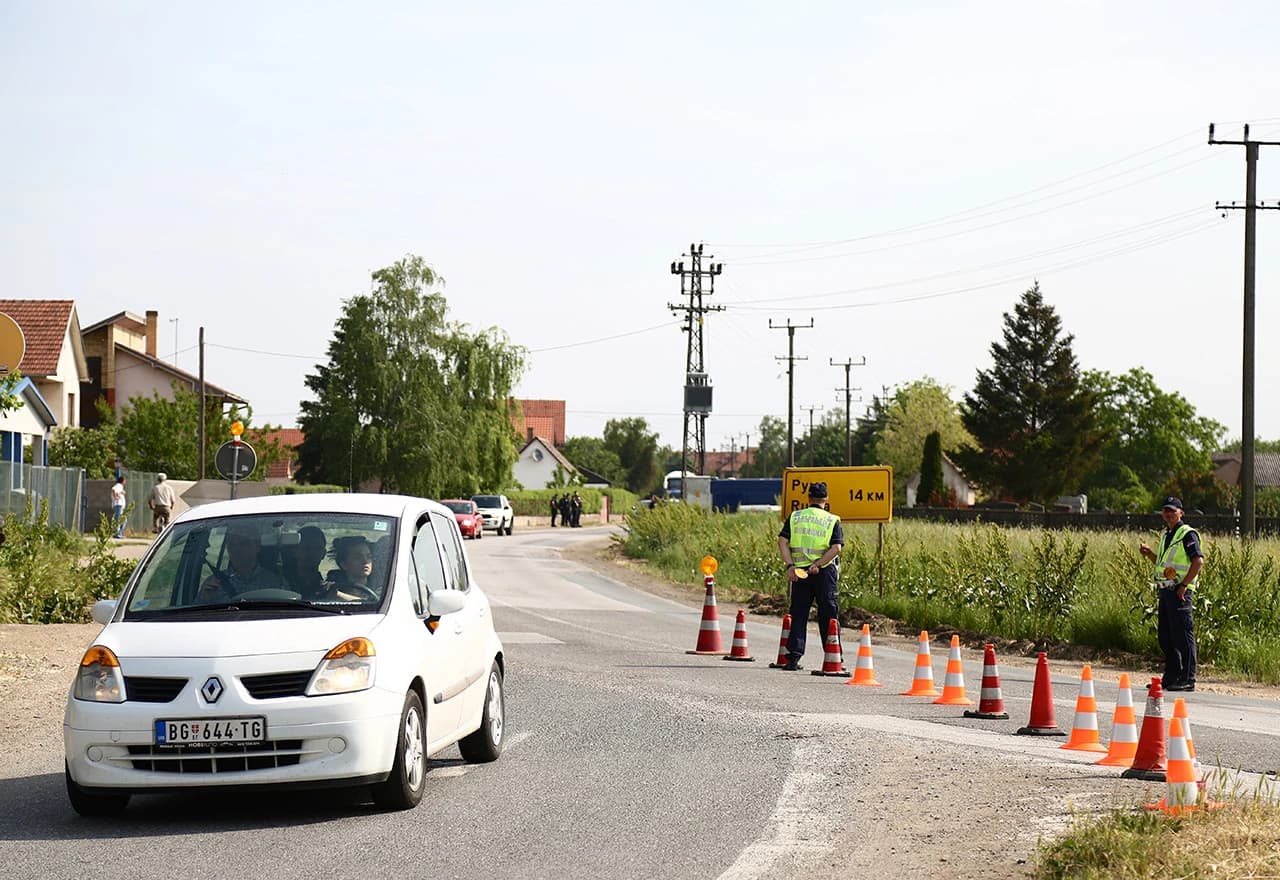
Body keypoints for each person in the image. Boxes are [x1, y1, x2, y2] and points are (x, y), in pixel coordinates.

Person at [777, 481, 844, 671]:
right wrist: (818, 564)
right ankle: (834, 657)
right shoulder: (832, 520)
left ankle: (793, 658)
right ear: (826, 500)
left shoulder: (796, 517)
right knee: (829, 615)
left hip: (799, 573)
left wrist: (790, 565)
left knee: (799, 613)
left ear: (808, 499)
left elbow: (782, 541)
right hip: (823, 573)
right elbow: (836, 548)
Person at [1139, 496, 1201, 692]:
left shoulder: (1187, 534)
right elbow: (1165, 565)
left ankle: (1188, 678)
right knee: (1166, 636)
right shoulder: (1167, 535)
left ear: (1181, 513)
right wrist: (1150, 555)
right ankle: (1172, 677)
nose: (1168, 514)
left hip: (1179, 591)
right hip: (1166, 590)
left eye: (1172, 510)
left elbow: (1197, 561)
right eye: (1166, 510)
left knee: (1182, 635)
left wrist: (1184, 584)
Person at [198, 523, 286, 602]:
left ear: (257, 546)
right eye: (232, 544)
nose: (236, 550)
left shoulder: (275, 582)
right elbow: (195, 615)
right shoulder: (214, 584)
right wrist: (205, 600)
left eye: (243, 544)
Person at [322, 535, 378, 600]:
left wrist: (339, 595)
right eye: (357, 557)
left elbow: (375, 603)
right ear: (344, 564)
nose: (365, 561)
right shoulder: (332, 588)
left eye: (369, 556)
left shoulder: (382, 587)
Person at [283, 526, 328, 598]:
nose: (313, 553)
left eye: (318, 548)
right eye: (307, 548)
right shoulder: (280, 583)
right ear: (294, 551)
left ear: (324, 553)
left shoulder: (328, 588)